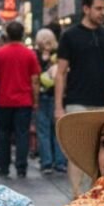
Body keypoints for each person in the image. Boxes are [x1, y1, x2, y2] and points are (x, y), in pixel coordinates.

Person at [55, 0, 104, 198]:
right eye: (98, 8)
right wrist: (58, 106)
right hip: (77, 100)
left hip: (103, 100)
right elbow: (61, 72)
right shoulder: (70, 36)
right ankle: (76, 194)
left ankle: (95, 193)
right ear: (86, 9)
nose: (102, 13)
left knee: (100, 150)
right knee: (77, 150)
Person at [0, 21, 40, 178]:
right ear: (22, 34)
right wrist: (36, 100)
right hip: (24, 102)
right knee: (22, 135)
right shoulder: (29, 54)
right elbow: (35, 81)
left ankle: (3, 167)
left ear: (7, 35)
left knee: (3, 135)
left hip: (4, 101)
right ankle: (21, 167)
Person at [34, 27, 67, 175]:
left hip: (45, 96)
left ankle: (48, 162)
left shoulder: (36, 55)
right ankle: (58, 162)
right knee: (56, 131)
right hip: (56, 96)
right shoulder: (58, 55)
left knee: (45, 130)